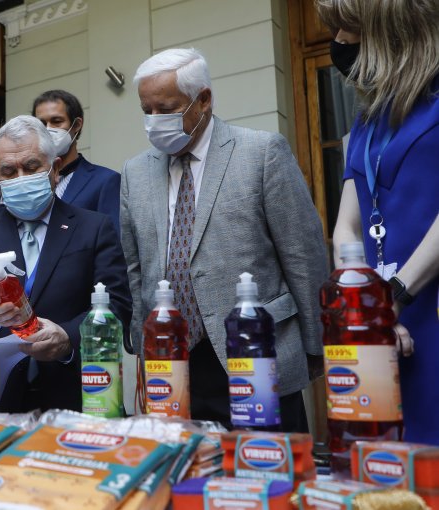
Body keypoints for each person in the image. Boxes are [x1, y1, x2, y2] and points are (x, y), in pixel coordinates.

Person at [121, 48, 328, 431]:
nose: (153, 121)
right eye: (146, 110)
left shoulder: (261, 152)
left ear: (203, 99)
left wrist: (316, 347)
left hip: (254, 350)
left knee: (267, 472)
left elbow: (302, 255)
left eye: (165, 109)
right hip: (171, 360)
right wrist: (141, 345)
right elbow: (137, 268)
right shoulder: (135, 172)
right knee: (187, 478)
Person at [0, 115, 131, 413]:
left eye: (31, 167)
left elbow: (118, 306)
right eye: (9, 171)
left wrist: (68, 338)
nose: (20, 178)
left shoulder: (94, 228)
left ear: (54, 168)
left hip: (73, 395)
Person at [318, 0, 439, 444]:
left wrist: (396, 298)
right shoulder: (369, 118)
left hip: (421, 309)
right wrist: (365, 311)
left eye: (349, 29)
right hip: (383, 327)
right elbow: (345, 229)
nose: (339, 43)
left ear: (395, 31)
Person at [32, 90, 121, 231]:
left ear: (77, 125)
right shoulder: (28, 183)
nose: (47, 129)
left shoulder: (105, 181)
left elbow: (113, 242)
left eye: (56, 121)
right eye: (41, 124)